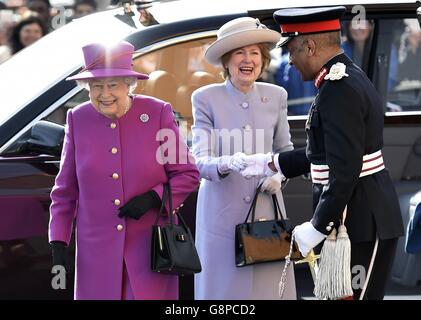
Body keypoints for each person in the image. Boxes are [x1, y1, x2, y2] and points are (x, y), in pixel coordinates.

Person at [242, 6, 404, 300]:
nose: (289, 60)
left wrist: (318, 225)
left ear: (310, 45)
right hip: (354, 218)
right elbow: (327, 152)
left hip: (360, 221)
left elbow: (344, 170)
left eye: (291, 49)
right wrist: (271, 162)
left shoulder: (338, 89)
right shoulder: (340, 81)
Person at [48, 41, 200, 300]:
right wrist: (58, 244)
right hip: (95, 253)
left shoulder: (156, 112)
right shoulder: (77, 119)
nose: (104, 93)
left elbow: (188, 174)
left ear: (128, 85)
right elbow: (65, 191)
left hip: (151, 249)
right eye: (96, 86)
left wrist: (153, 198)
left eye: (112, 85)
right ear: (87, 89)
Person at [192, 17, 297, 300]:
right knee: (224, 293)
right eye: (239, 52)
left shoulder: (276, 95)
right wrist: (227, 162)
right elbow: (200, 160)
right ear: (226, 61)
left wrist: (280, 175)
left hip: (267, 212)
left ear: (263, 60)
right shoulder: (205, 98)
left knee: (268, 290)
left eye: (254, 53)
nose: (247, 59)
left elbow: (285, 149)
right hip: (222, 216)